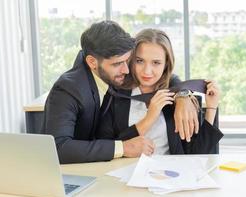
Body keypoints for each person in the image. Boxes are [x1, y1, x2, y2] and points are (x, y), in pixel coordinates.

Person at [41, 21, 200, 164]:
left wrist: (182, 94)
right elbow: (57, 148)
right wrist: (123, 148)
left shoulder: (116, 74)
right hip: (77, 169)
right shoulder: (69, 89)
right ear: (92, 62)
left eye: (127, 61)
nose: (126, 70)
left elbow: (166, 76)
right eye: (118, 63)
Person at [97, 28, 223, 155]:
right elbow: (106, 147)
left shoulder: (178, 96)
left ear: (166, 64)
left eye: (156, 63)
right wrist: (150, 118)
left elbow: (197, 154)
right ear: (131, 60)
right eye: (140, 61)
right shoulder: (116, 94)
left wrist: (211, 108)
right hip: (126, 171)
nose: (147, 71)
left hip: (170, 172)